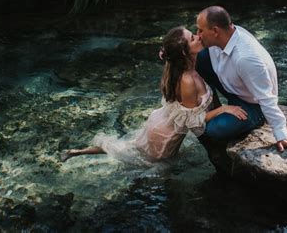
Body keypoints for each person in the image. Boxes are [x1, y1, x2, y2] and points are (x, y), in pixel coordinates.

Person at [60, 26, 248, 162]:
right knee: (154, 172)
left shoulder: (183, 66)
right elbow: (192, 121)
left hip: (160, 122)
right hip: (165, 137)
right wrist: (223, 109)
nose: (198, 37)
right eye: (193, 38)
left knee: (127, 148)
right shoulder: (187, 80)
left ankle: (75, 152)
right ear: (184, 53)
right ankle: (75, 153)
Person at [195, 6, 287, 155]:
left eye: (200, 30)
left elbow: (266, 98)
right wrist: (170, 51)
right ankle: (215, 108)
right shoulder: (225, 34)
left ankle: (255, 119)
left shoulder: (246, 58)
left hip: (253, 104)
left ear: (215, 31)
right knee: (200, 58)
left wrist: (282, 134)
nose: (197, 35)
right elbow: (190, 43)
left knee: (214, 129)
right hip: (232, 87)